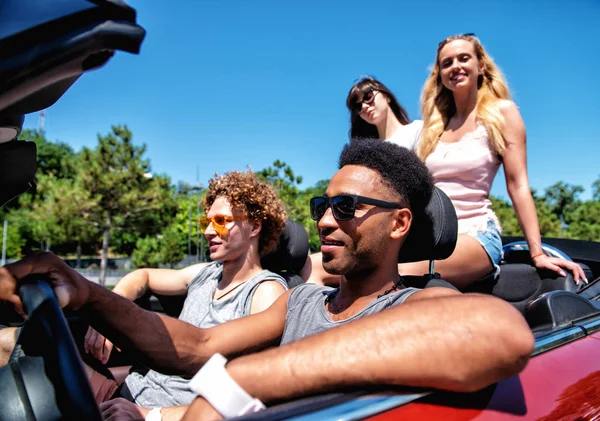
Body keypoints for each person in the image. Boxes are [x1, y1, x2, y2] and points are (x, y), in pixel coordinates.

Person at [0, 140, 535, 421]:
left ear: (399, 223)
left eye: (346, 207)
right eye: (323, 205)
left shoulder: (417, 305)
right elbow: (198, 347)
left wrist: (242, 384)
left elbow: (500, 335)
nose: (325, 220)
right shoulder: (302, 300)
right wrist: (87, 293)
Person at [89, 170, 289, 419]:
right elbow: (143, 276)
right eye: (206, 223)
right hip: (127, 393)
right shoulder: (203, 273)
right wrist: (110, 310)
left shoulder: (265, 292)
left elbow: (249, 398)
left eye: (220, 221)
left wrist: (151, 415)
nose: (207, 232)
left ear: (254, 226)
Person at [396, 33, 586, 288]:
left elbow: (517, 185)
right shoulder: (432, 128)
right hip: (426, 237)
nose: (456, 67)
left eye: (464, 58)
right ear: (440, 74)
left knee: (386, 274)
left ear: (480, 66)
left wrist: (538, 252)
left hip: (474, 234)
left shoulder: (502, 113)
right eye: (447, 63)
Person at [346, 76, 422, 150]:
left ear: (387, 97)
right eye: (358, 107)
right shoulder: (370, 154)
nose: (364, 106)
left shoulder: (417, 129)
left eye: (368, 97)